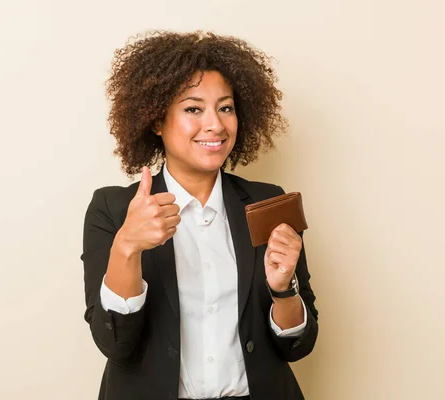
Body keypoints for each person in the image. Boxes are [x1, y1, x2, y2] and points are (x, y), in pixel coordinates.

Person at [81, 31, 319, 400]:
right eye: (194, 109)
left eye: (225, 107)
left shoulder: (268, 203)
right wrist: (127, 246)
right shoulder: (113, 210)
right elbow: (114, 343)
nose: (216, 125)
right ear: (157, 121)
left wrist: (282, 289)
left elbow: (297, 347)